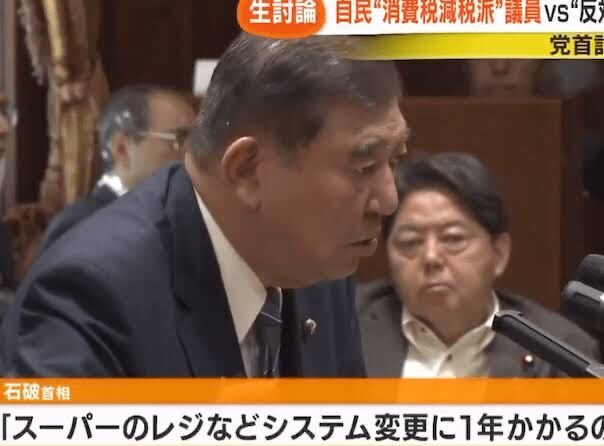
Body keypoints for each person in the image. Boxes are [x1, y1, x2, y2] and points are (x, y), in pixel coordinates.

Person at [0, 33, 408, 377]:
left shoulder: (317, 267)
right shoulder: (91, 293)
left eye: (394, 161)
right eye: (364, 166)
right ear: (247, 169)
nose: (389, 200)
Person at [357, 152, 599, 378]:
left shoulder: (561, 350)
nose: (431, 257)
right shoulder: (346, 327)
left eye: (453, 239)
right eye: (411, 242)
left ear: (499, 254)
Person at [38, 85, 196, 251]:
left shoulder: (184, 220)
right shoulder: (79, 224)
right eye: (180, 139)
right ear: (121, 149)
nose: (195, 154)